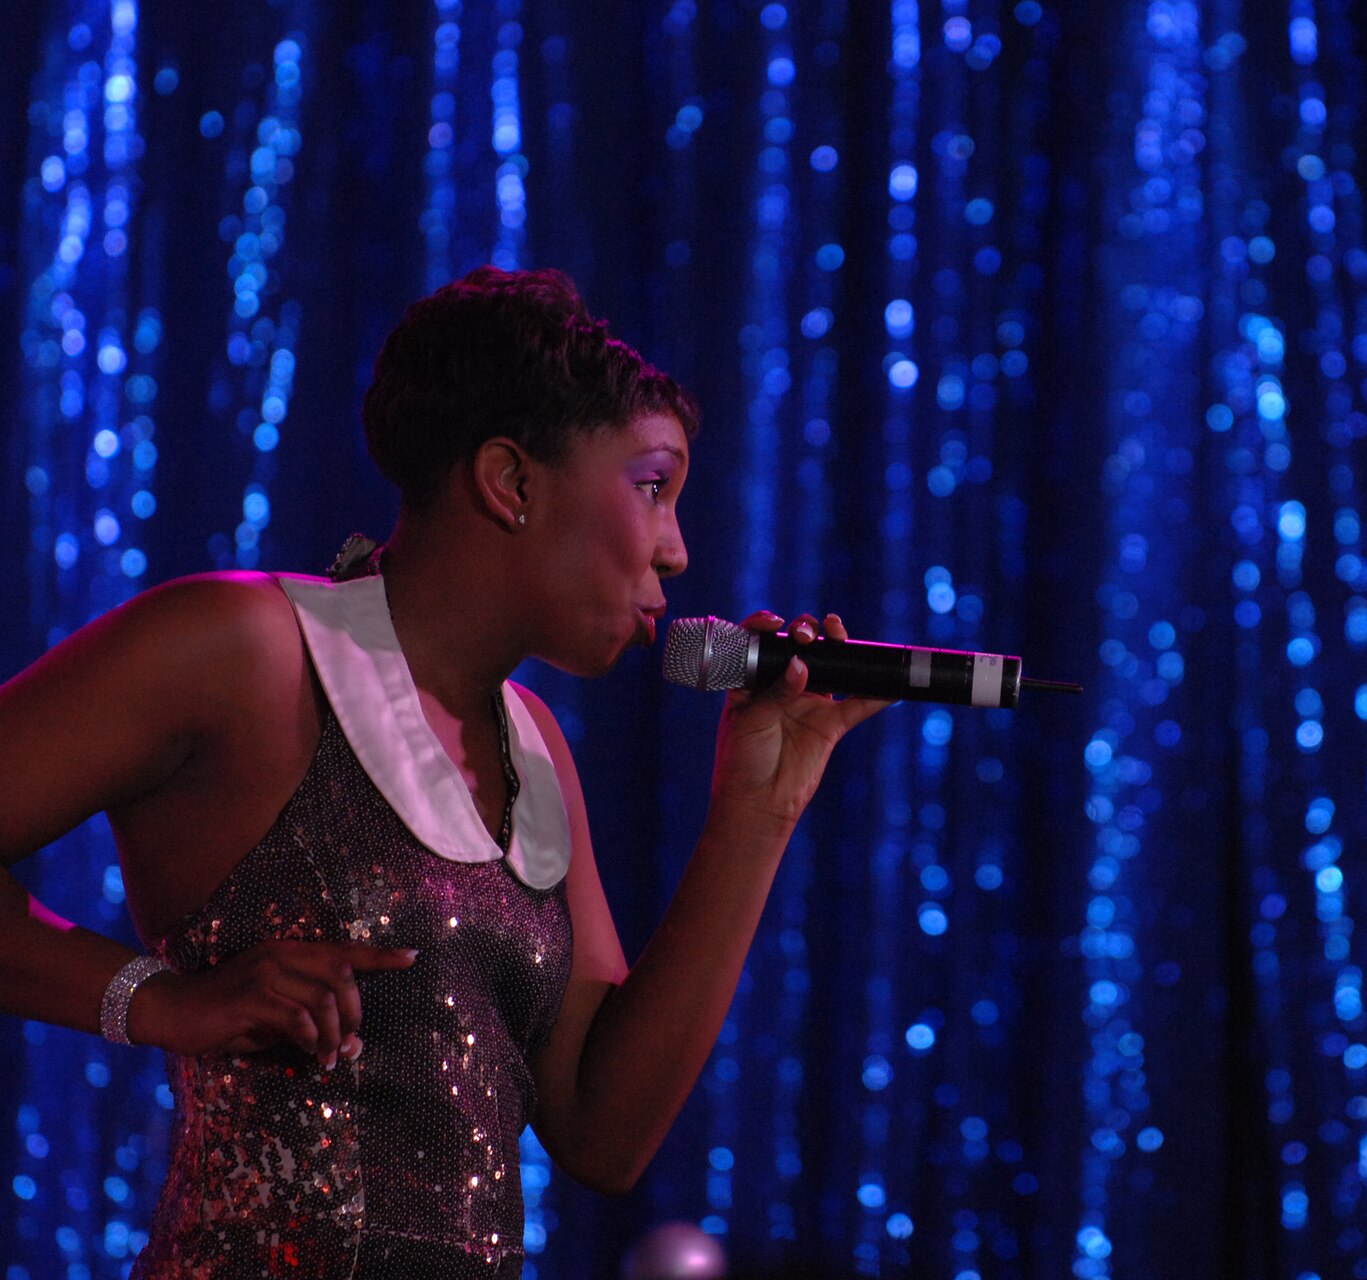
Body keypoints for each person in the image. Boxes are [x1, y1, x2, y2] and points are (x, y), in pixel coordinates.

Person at [0, 267, 886, 1276]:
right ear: (510, 480)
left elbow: (604, 1133)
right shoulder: (247, 649)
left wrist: (760, 806)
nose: (677, 550)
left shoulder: (536, 745)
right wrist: (150, 998)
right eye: (651, 486)